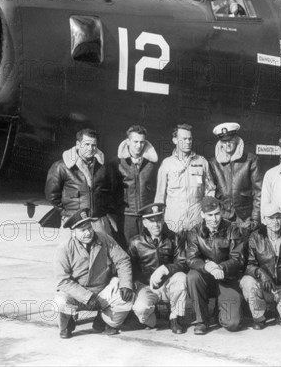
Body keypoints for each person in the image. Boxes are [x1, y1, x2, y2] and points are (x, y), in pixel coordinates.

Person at [53, 209, 134, 339]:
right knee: (60, 300)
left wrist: (125, 284)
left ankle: (104, 320)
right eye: (82, 230)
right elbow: (62, 280)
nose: (88, 232)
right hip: (77, 295)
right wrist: (87, 297)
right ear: (73, 232)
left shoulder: (104, 238)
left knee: (126, 299)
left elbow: (122, 260)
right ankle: (67, 323)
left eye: (89, 227)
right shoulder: (64, 248)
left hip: (101, 292)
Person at [186, 196, 246, 335]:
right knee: (192, 276)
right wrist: (207, 266)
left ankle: (220, 311)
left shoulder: (232, 230)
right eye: (210, 215)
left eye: (217, 214)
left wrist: (220, 267)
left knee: (232, 324)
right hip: (205, 278)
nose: (214, 219)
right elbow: (191, 258)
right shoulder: (195, 232)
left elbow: (238, 259)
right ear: (202, 215)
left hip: (226, 279)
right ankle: (202, 320)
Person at [240, 203, 281, 329]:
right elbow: (248, 265)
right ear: (264, 220)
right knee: (247, 282)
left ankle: (280, 312)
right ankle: (259, 317)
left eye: (278, 217)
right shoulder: (255, 237)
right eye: (271, 218)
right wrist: (262, 275)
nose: (275, 222)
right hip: (264, 287)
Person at [128, 204, 188, 334]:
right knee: (140, 309)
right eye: (151, 221)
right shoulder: (135, 242)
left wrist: (165, 268)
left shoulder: (175, 238)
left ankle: (176, 317)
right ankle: (151, 318)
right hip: (147, 287)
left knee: (181, 278)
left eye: (159, 220)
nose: (156, 225)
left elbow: (183, 263)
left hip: (168, 285)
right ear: (144, 223)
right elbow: (129, 268)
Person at [45, 128, 114, 235]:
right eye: (86, 144)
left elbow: (111, 191)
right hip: (74, 221)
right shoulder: (61, 167)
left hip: (98, 221)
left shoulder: (104, 168)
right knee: (74, 251)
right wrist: (66, 212)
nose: (90, 148)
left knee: (103, 250)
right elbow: (52, 195)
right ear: (78, 144)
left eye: (94, 145)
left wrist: (102, 211)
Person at [155, 124, 215, 234]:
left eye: (190, 139)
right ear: (175, 140)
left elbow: (210, 190)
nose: (188, 142)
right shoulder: (167, 164)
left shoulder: (202, 162)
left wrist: (208, 215)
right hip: (173, 224)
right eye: (184, 139)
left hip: (196, 223)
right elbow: (160, 195)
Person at [209, 122, 263, 234]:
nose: (227, 144)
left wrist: (255, 218)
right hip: (223, 218)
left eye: (230, 140)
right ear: (220, 143)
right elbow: (210, 192)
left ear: (237, 140)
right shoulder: (214, 163)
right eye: (224, 141)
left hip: (246, 219)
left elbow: (259, 192)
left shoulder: (251, 160)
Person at [112, 125, 158, 246]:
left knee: (147, 250)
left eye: (142, 142)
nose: (139, 145)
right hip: (126, 216)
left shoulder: (152, 164)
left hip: (147, 215)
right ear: (128, 141)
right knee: (128, 250)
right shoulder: (117, 163)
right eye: (135, 141)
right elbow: (111, 191)